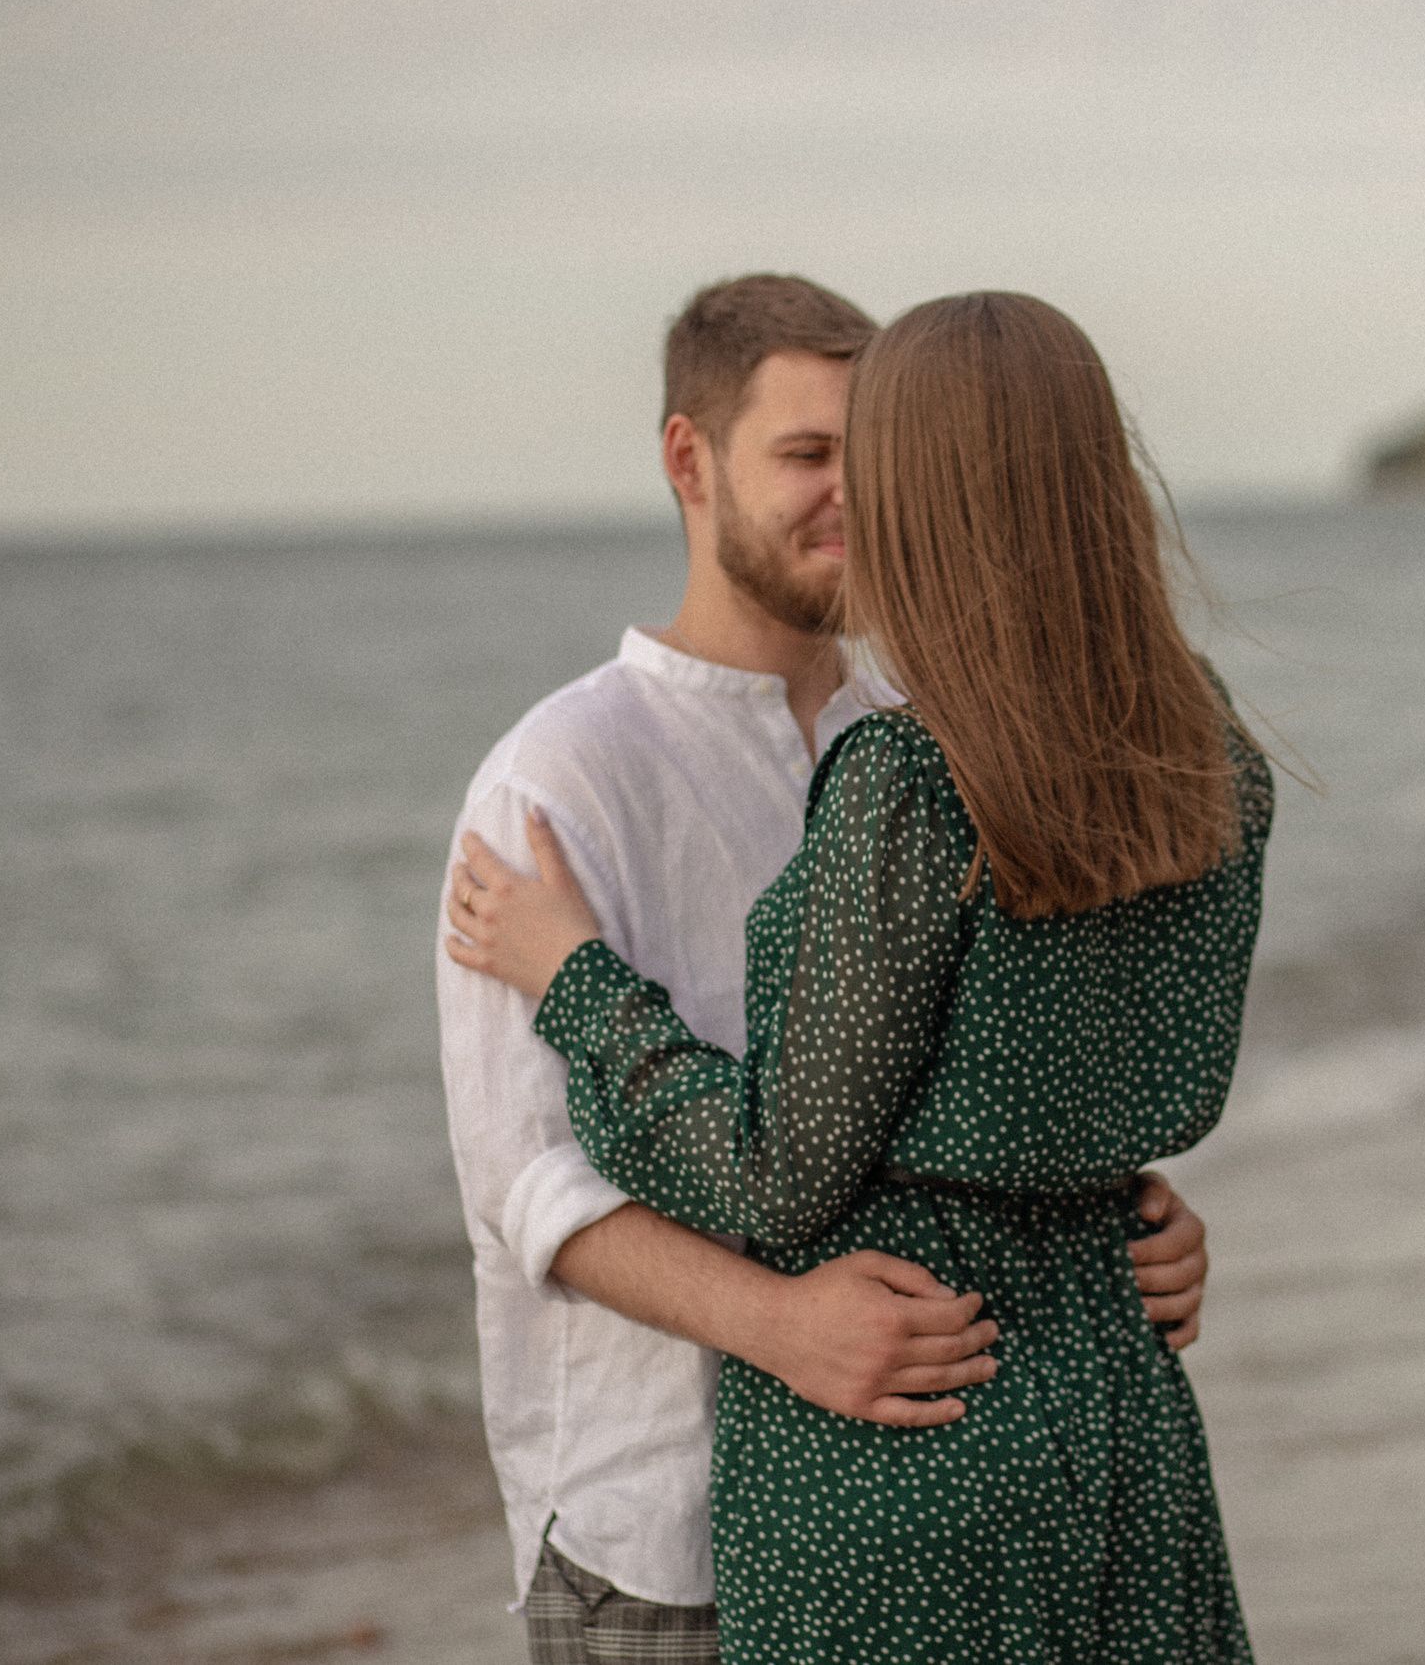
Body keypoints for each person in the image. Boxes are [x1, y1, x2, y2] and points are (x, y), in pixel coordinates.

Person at [447, 290, 1269, 1664]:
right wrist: (782, 1322)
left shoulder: (926, 749)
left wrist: (1111, 1205)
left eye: (868, 452)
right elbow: (522, 1181)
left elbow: (887, 1128)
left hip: (906, 1482)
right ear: (687, 462)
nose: (848, 495)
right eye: (806, 454)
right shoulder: (560, 779)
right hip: (672, 1511)